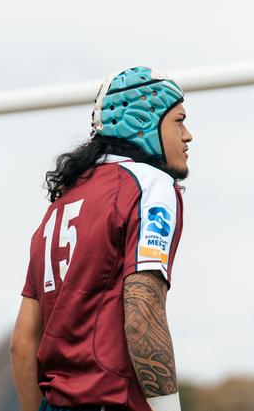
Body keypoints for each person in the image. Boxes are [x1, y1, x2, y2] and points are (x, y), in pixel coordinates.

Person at [10, 66, 193, 411]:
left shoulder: (59, 206)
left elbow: (22, 343)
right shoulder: (149, 184)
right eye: (179, 120)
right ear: (144, 122)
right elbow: (142, 312)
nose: (188, 135)